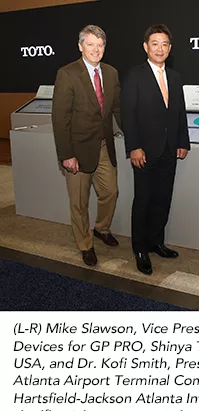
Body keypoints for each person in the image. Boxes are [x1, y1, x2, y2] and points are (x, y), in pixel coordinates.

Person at [121, 24, 190, 275]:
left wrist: (183, 141)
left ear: (170, 48)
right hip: (144, 151)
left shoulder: (175, 77)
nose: (160, 49)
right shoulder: (134, 75)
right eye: (155, 44)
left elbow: (179, 112)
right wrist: (134, 147)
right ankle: (140, 249)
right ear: (145, 47)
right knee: (143, 200)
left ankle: (156, 242)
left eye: (164, 44)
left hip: (170, 149)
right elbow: (127, 114)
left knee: (163, 198)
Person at [52, 25, 121, 267]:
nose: (96, 49)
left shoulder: (111, 73)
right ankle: (85, 244)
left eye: (100, 45)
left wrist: (136, 136)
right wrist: (67, 154)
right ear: (80, 46)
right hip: (77, 150)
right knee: (79, 202)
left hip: (103, 146)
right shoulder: (67, 73)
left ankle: (101, 228)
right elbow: (60, 118)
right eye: (90, 44)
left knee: (110, 192)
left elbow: (117, 109)